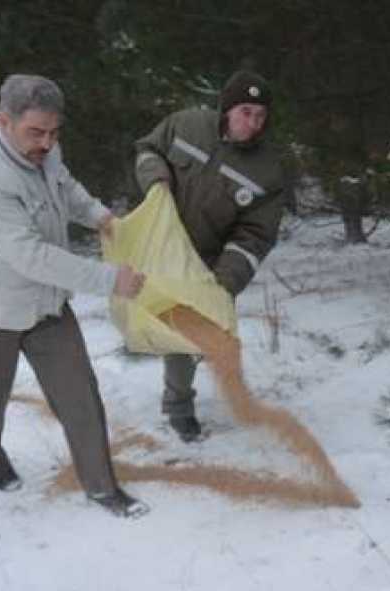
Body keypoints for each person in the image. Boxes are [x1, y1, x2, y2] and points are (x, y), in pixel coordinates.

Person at [0, 74, 149, 518]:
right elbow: (28, 255)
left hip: (44, 303)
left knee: (80, 397)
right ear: (3, 121)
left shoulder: (44, 149)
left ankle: (101, 487)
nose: (47, 142)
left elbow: (64, 187)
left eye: (54, 132)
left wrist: (98, 215)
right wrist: (110, 280)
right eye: (36, 132)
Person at [133, 68, 288, 442]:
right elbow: (147, 149)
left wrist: (223, 282)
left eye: (260, 115)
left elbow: (255, 235)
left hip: (205, 264)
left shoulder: (268, 170)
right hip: (157, 244)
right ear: (227, 108)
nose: (252, 123)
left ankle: (179, 407)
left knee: (186, 337)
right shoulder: (186, 124)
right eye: (245, 112)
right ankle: (134, 343)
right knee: (139, 311)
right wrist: (155, 178)